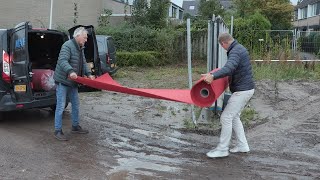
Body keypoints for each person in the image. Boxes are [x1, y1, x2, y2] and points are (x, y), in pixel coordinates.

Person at [203, 32, 255, 158]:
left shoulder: (235, 51)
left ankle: (222, 149)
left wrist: (213, 76)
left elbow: (229, 68)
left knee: (225, 117)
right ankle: (243, 146)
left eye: (222, 46)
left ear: (224, 43)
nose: (223, 48)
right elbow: (232, 69)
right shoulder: (239, 48)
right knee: (235, 117)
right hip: (246, 89)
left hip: (242, 91)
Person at [53, 27, 95, 141]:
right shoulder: (67, 45)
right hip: (63, 80)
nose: (86, 40)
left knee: (76, 104)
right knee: (61, 106)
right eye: (85, 37)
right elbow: (62, 61)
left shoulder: (80, 47)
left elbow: (84, 62)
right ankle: (57, 130)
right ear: (78, 36)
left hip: (73, 82)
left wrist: (89, 74)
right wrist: (70, 71)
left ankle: (75, 126)